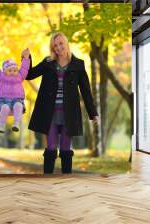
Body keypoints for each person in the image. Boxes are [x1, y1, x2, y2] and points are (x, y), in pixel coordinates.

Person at [25, 32, 99, 174]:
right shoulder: (47, 62)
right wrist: (27, 59)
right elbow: (30, 75)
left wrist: (93, 113)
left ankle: (66, 182)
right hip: (50, 112)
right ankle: (47, 181)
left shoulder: (78, 65)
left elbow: (86, 91)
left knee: (65, 149)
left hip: (69, 114)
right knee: (51, 148)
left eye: (60, 44)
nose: (58, 47)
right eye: (55, 45)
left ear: (66, 43)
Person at [0, 50, 30, 133]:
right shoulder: (0, 76)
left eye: (15, 70)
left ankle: (16, 124)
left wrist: (26, 58)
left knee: (19, 105)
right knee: (5, 108)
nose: (13, 72)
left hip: (17, 100)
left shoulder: (20, 76)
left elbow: (24, 68)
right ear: (4, 71)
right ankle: (1, 125)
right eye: (10, 70)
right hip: (4, 101)